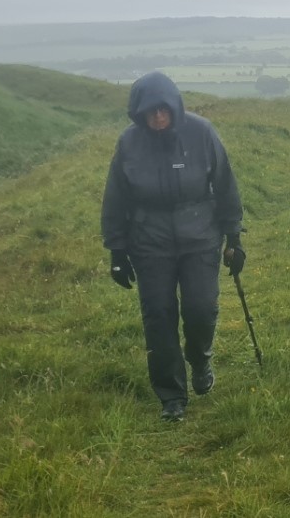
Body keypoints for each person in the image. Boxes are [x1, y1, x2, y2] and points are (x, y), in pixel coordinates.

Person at [101, 72, 245, 422]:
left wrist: (234, 238)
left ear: (175, 107)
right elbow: (116, 197)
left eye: (163, 109)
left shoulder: (202, 132)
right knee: (158, 314)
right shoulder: (129, 142)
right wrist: (117, 252)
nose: (158, 117)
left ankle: (200, 358)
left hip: (200, 236)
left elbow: (225, 184)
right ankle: (171, 396)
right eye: (150, 111)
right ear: (139, 113)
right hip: (149, 241)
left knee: (201, 308)